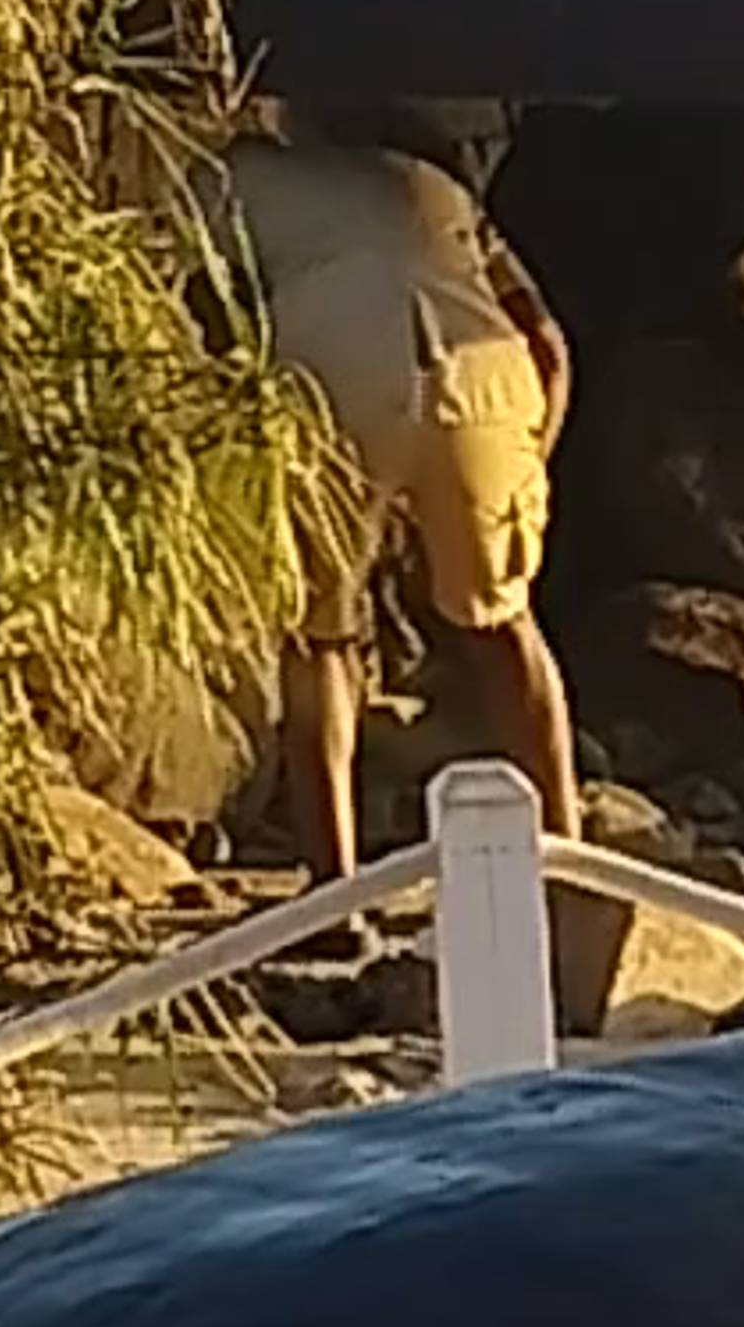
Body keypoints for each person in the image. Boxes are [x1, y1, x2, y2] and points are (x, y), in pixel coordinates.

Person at [218, 105, 581, 882]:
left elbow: (203, 325)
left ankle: (334, 887)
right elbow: (549, 344)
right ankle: (567, 849)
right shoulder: (439, 187)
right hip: (484, 370)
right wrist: (531, 463)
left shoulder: (224, 183)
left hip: (333, 366)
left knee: (320, 639)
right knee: (507, 623)